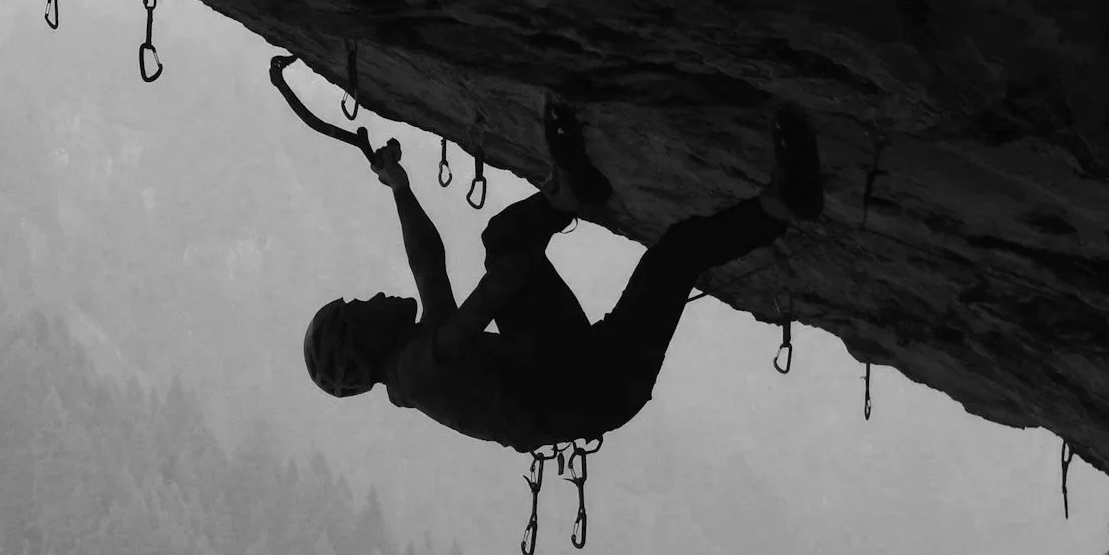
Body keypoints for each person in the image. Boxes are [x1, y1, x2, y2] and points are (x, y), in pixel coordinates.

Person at [300, 88, 822, 451]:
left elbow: (428, 266)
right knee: (671, 256)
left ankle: (574, 192)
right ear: (363, 342)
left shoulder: (413, 360)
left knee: (510, 240)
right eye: (361, 309)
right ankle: (781, 203)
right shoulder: (416, 370)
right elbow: (486, 301)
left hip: (566, 366)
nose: (373, 299)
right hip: (600, 381)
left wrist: (401, 188)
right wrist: (523, 257)